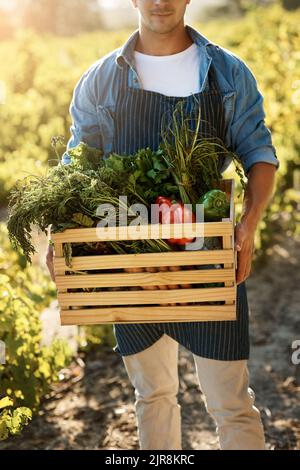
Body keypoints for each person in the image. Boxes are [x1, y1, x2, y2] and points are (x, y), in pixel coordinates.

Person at [46, 0, 279, 450]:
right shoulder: (102, 80)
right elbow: (75, 166)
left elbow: (260, 155)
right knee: (152, 396)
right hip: (131, 265)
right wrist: (61, 240)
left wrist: (248, 224)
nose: (160, 2)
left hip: (208, 263)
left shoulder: (226, 73)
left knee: (231, 404)